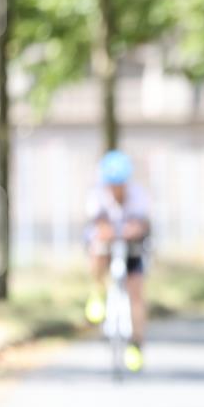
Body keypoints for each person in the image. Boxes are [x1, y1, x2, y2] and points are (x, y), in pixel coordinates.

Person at [84, 150, 151, 372]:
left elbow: (142, 225)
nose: (115, 189)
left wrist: (134, 230)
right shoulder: (97, 195)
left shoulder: (138, 195)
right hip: (107, 247)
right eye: (111, 184)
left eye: (119, 184)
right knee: (97, 249)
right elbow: (98, 225)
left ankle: (136, 343)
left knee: (136, 293)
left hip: (132, 247)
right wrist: (110, 232)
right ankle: (97, 292)